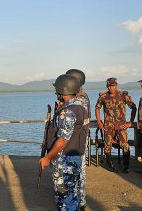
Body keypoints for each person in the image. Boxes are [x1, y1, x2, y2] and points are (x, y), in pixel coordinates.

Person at [39, 74, 89, 211]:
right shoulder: (81, 108)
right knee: (72, 194)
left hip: (64, 160)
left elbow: (63, 139)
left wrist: (47, 158)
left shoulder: (67, 111)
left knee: (64, 197)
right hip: (75, 157)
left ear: (62, 90)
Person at [95, 77, 137, 173]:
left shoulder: (123, 96)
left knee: (125, 145)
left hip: (121, 126)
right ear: (107, 86)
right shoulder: (103, 96)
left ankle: (125, 166)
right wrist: (98, 121)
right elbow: (97, 108)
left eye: (113, 85)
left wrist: (130, 121)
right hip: (108, 126)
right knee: (107, 145)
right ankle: (110, 166)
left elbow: (133, 107)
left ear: (116, 85)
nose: (111, 88)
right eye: (109, 86)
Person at [65, 69, 90, 210]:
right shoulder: (81, 97)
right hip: (78, 139)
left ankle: (79, 202)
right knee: (78, 171)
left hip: (76, 140)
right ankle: (79, 200)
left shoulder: (80, 99)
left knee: (78, 171)